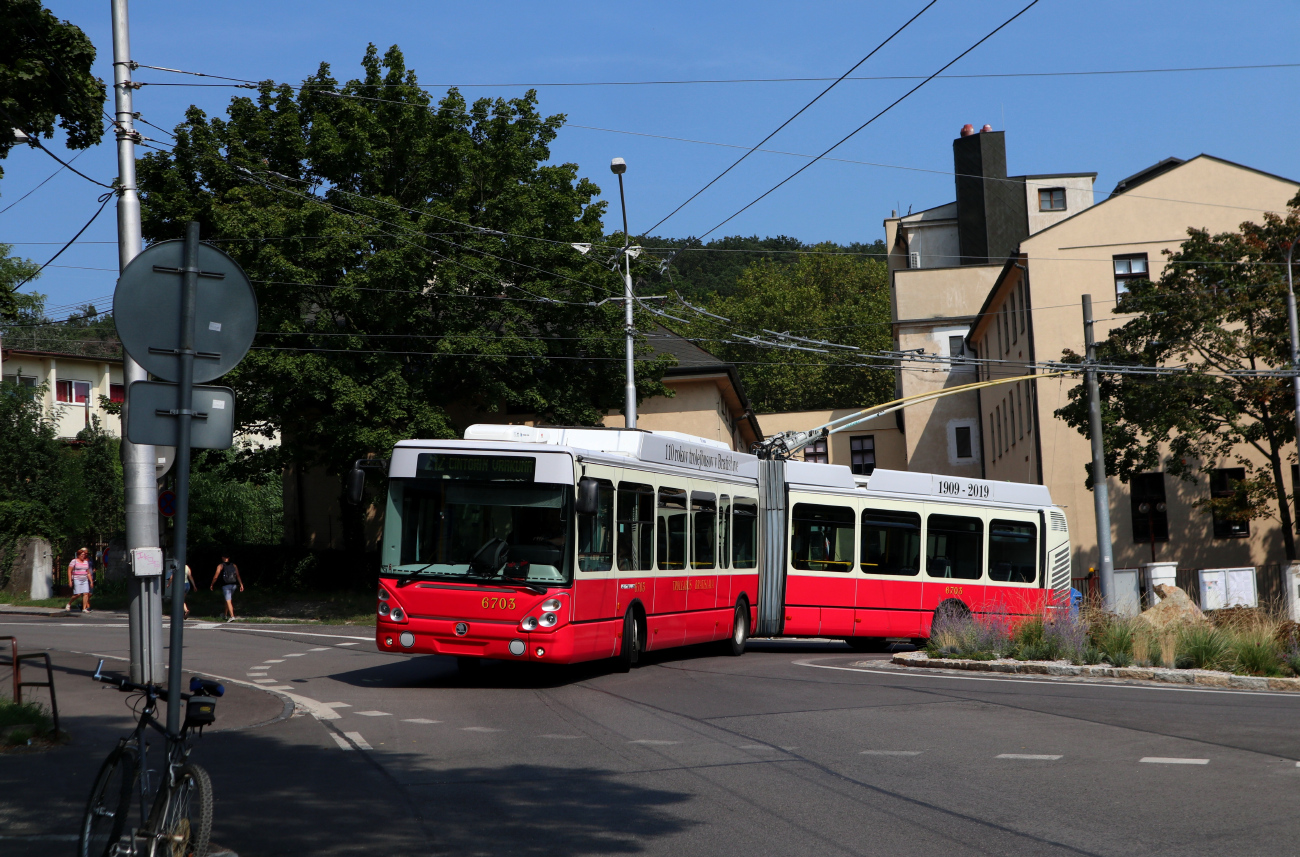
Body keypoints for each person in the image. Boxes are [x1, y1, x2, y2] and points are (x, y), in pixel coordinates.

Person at [209, 555, 244, 622]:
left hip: (226, 586)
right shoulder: (234, 565)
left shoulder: (220, 566)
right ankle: (225, 614)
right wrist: (241, 584)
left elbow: (216, 576)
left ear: (222, 558)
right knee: (227, 600)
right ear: (229, 558)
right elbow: (238, 575)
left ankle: (232, 616)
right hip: (234, 585)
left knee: (228, 600)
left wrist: (212, 584)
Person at [64, 547, 94, 613]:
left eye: (84, 555)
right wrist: (70, 580)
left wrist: (91, 581)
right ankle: (69, 603)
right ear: (78, 555)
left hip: (85, 579)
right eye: (82, 555)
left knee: (86, 593)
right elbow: (69, 570)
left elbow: (88, 572)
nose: (83, 556)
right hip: (77, 579)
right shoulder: (74, 561)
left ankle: (84, 608)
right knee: (78, 594)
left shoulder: (86, 562)